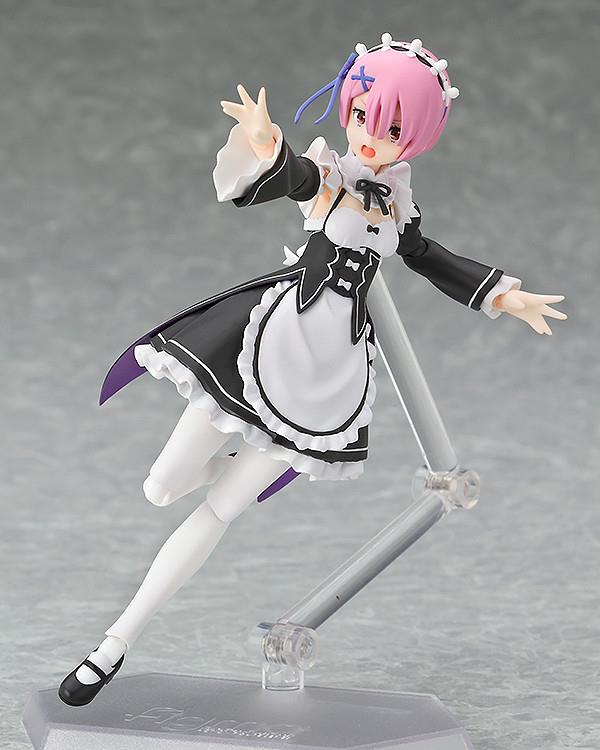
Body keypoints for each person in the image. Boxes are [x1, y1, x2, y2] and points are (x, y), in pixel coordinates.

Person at [58, 34, 565, 706]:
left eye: (392, 129)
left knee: (221, 511)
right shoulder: (331, 177)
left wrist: (503, 295)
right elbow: (294, 175)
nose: (372, 137)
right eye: (362, 116)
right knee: (160, 489)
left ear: (418, 137)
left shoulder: (398, 205)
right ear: (347, 109)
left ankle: (112, 646)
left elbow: (429, 257)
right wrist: (268, 144)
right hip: (270, 346)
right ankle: (234, 455)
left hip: (328, 381)